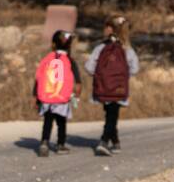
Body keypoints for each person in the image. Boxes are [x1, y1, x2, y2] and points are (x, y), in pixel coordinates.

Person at [85, 15, 139, 156]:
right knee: (112, 115)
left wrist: (101, 76)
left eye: (106, 26)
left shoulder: (101, 47)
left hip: (103, 87)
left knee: (110, 114)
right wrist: (122, 77)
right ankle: (114, 142)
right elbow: (135, 68)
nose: (104, 29)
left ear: (110, 29)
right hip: (119, 89)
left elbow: (89, 67)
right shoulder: (127, 49)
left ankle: (104, 141)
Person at [33, 30, 81, 157]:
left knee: (48, 121)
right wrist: (77, 94)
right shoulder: (70, 60)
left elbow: (38, 78)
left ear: (53, 44)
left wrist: (36, 97)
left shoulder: (46, 59)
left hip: (47, 97)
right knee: (61, 122)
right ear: (69, 46)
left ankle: (44, 142)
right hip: (61, 98)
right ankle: (60, 144)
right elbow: (78, 81)